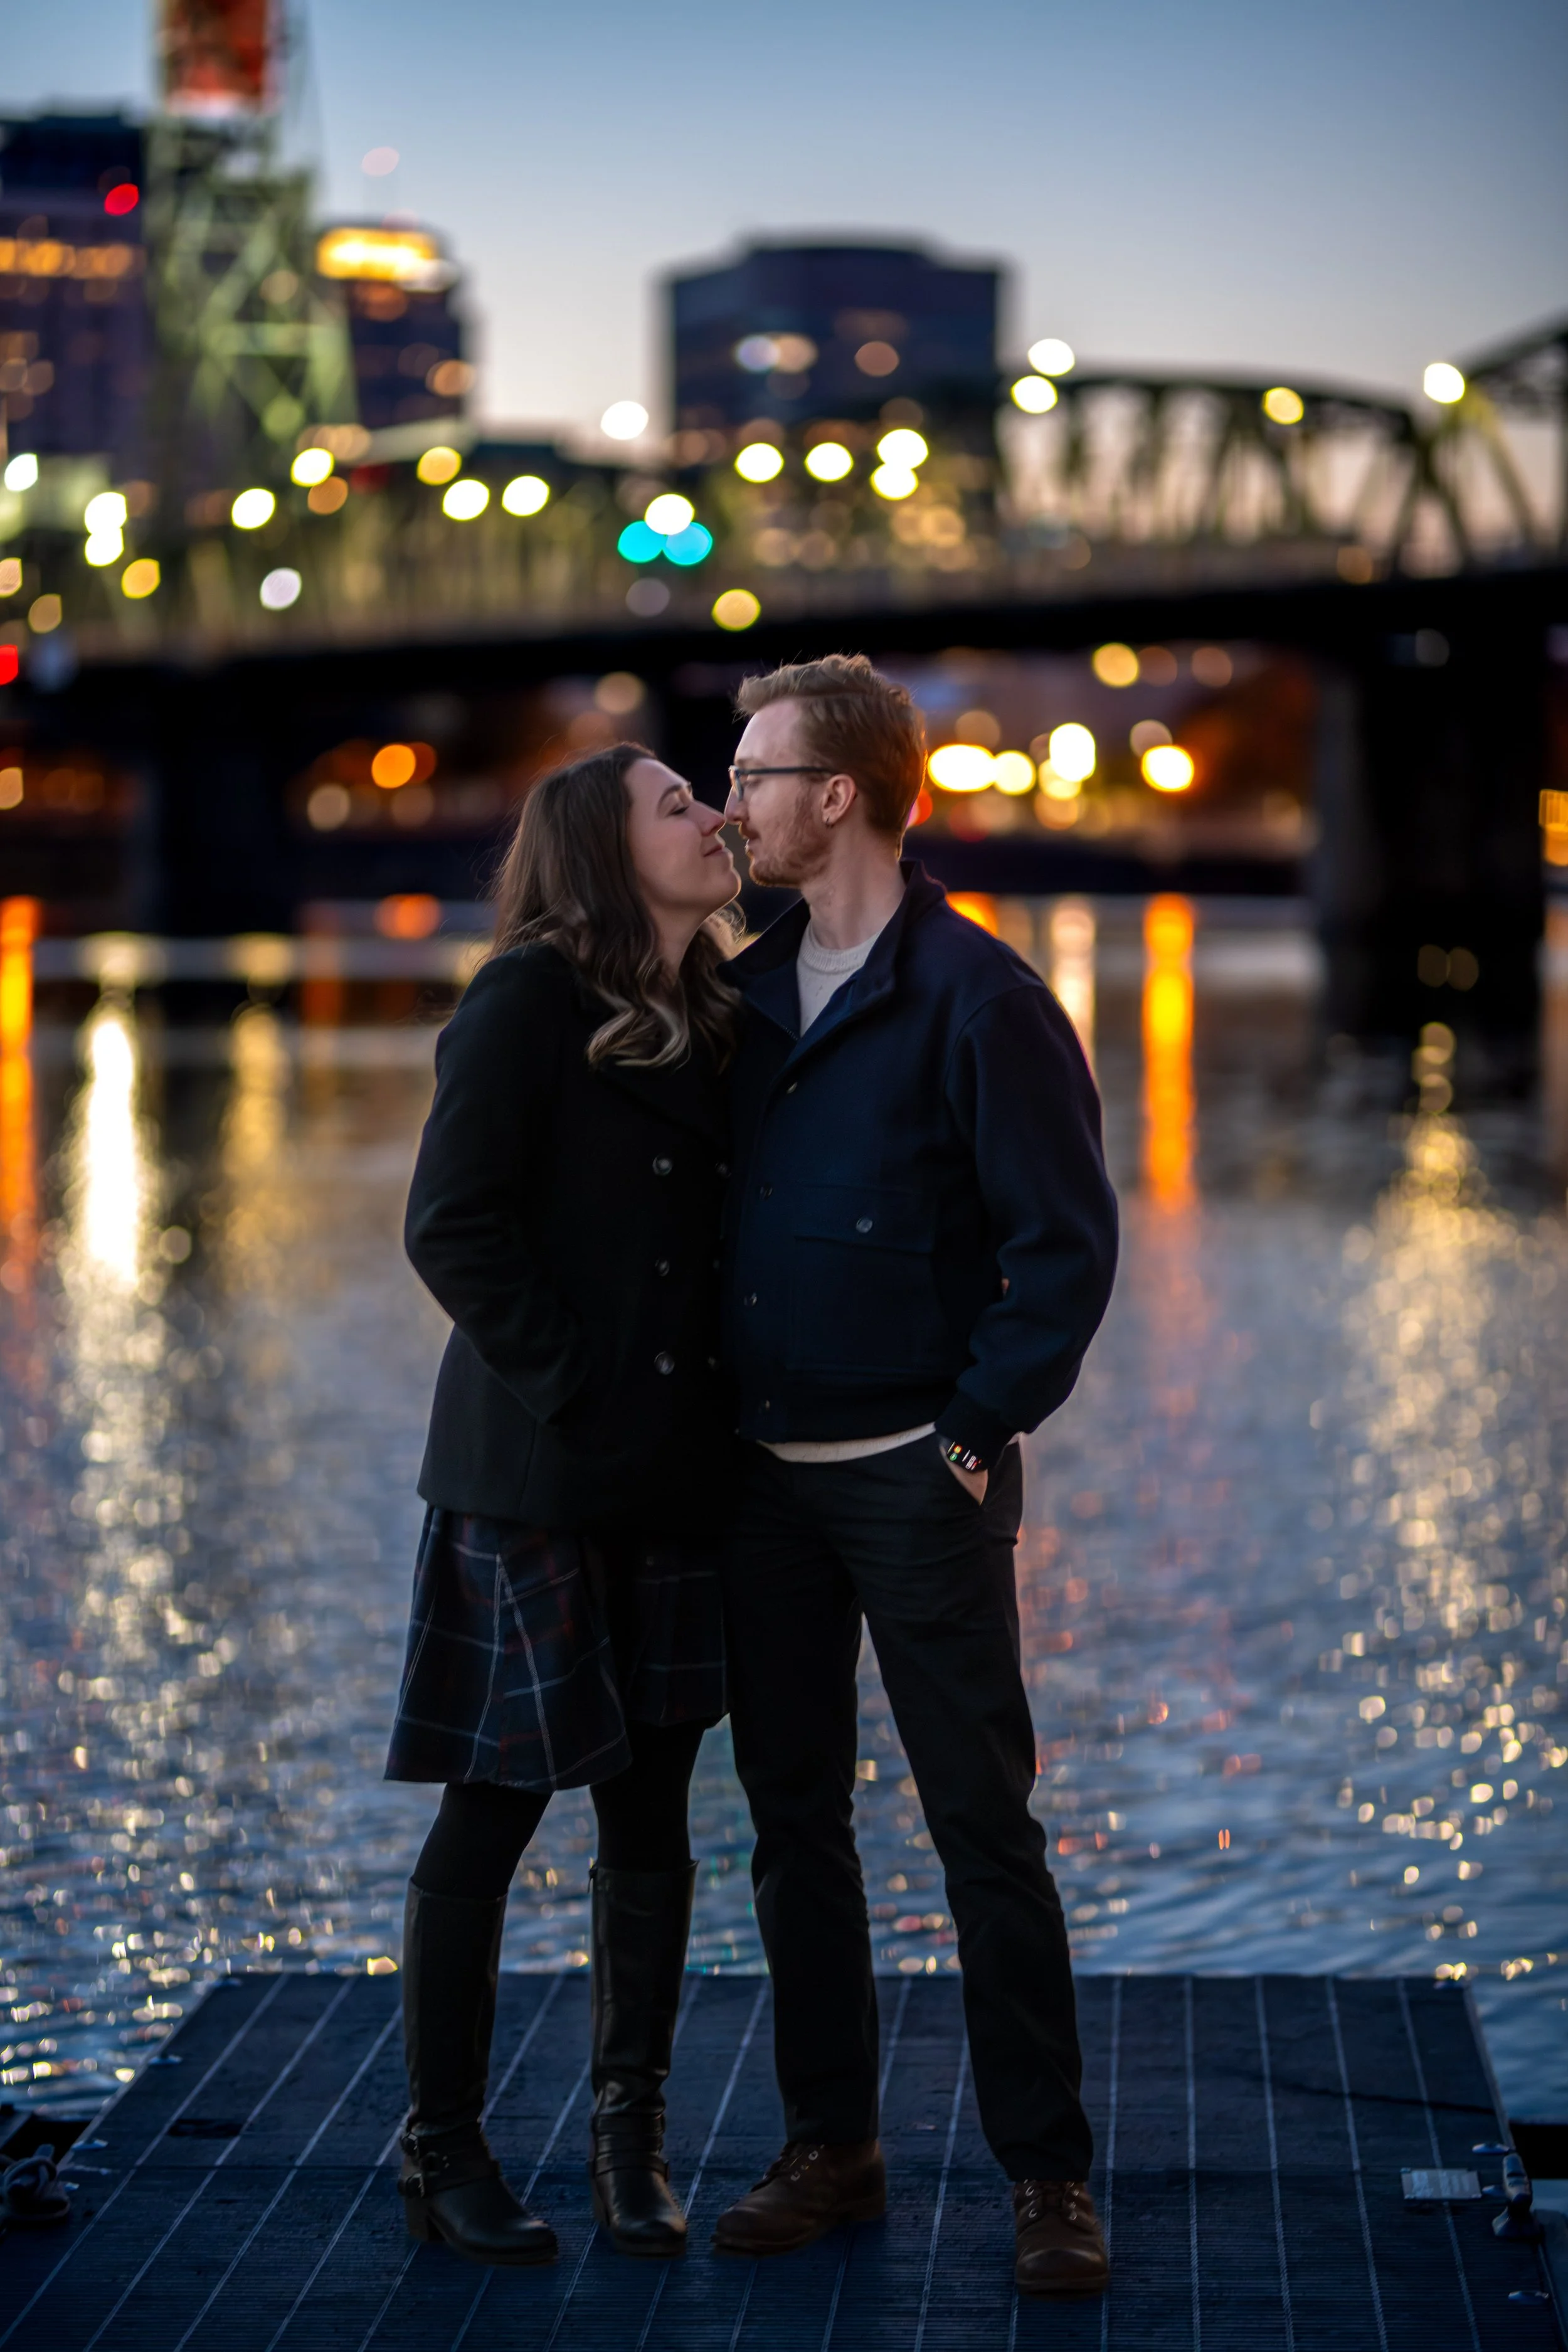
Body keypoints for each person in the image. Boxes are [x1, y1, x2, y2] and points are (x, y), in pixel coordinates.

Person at [709, 656, 1119, 2298]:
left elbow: (1063, 1251)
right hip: (758, 1482)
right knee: (789, 1822)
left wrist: (968, 1432)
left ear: (838, 794)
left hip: (912, 1472)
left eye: (752, 773)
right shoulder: (738, 994)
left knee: (979, 1826)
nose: (728, 800)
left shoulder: (981, 998)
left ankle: (1047, 2173)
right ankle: (834, 2144)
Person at [388, 743, 741, 2267]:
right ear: (602, 852)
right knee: (493, 1812)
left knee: (652, 1815)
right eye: (677, 804)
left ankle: (627, 2140)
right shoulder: (527, 997)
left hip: (676, 1475)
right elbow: (449, 1225)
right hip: (537, 1471)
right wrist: (579, 1385)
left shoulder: (724, 1011)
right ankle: (443, 2143)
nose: (714, 816)